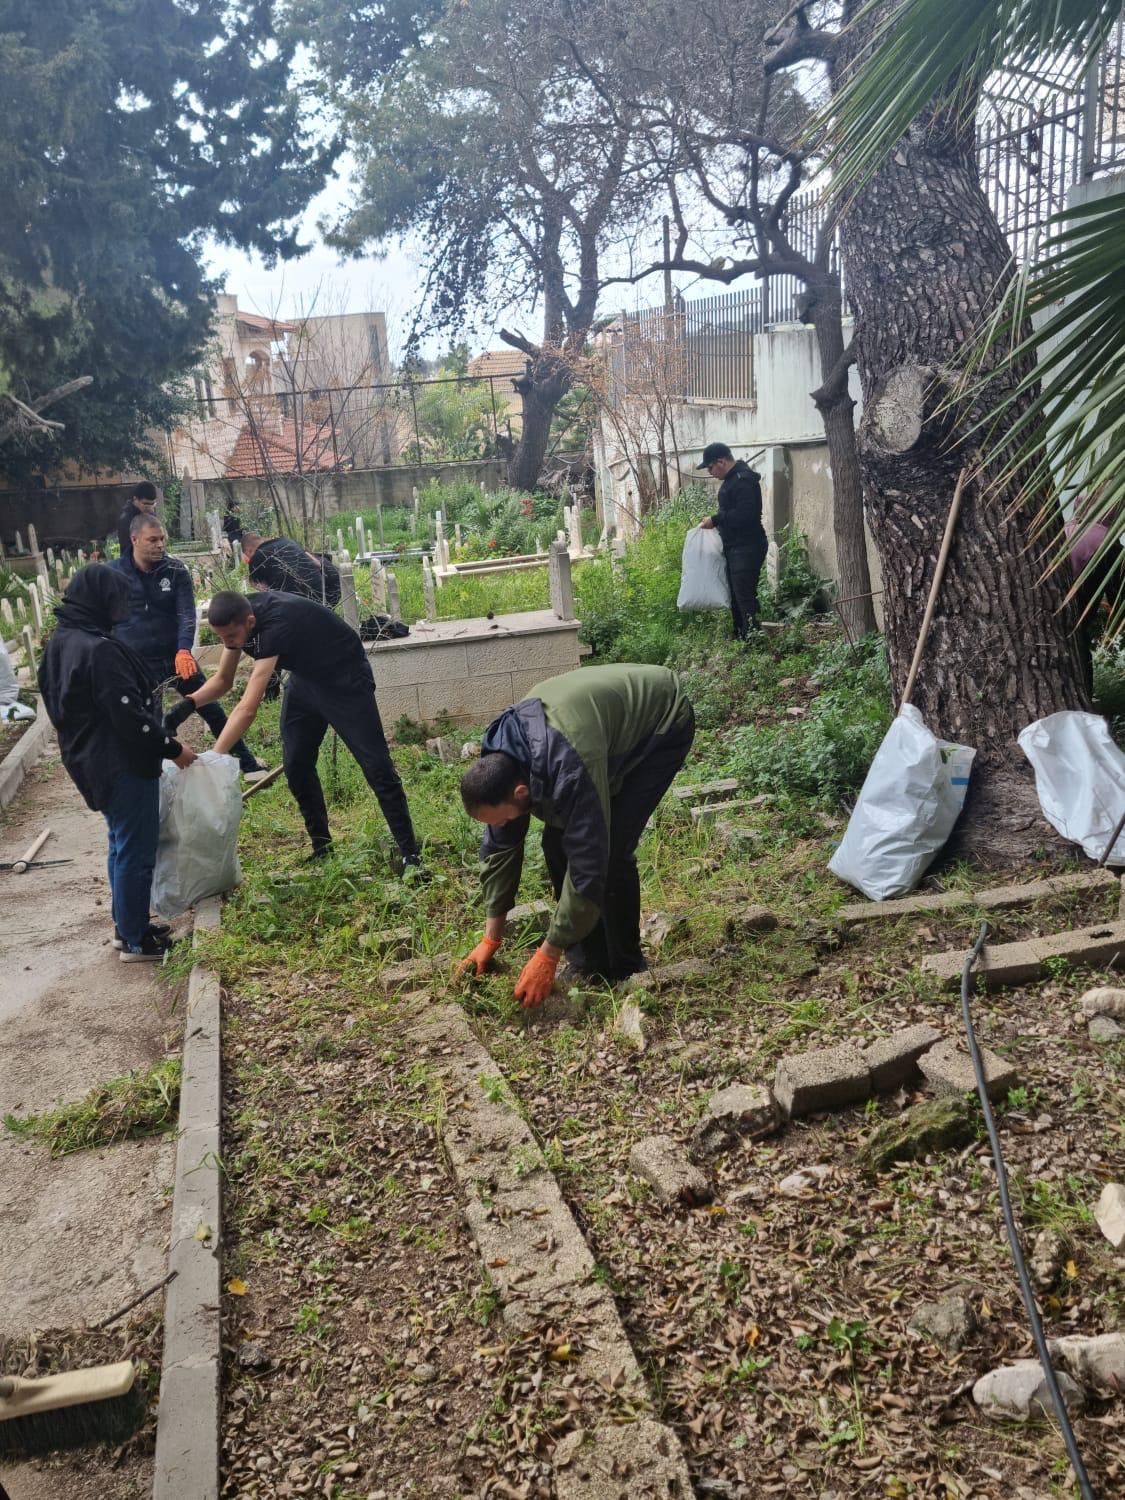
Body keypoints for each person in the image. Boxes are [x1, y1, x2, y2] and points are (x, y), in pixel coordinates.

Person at [457, 665, 695, 1004]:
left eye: (501, 818)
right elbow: (500, 848)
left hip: (662, 721)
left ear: (522, 792)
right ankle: (588, 963)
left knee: (610, 850)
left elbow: (588, 859)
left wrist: (547, 953)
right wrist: (491, 939)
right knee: (555, 843)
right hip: (593, 731)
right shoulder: (502, 757)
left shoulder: (568, 767)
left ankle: (627, 967)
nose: (499, 826)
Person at [177, 589, 421, 869]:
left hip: (345, 681)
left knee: (377, 767)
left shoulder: (275, 627)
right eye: (222, 638)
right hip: (306, 681)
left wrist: (215, 757)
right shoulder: (237, 615)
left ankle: (410, 854)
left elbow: (247, 708)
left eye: (230, 638)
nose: (228, 644)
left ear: (250, 622)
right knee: (296, 765)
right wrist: (188, 704)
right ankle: (322, 847)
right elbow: (223, 680)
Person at [37, 565, 198, 960]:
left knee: (119, 844)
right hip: (119, 762)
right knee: (136, 850)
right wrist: (173, 750)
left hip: (88, 758)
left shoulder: (63, 642)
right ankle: (136, 940)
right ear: (98, 601)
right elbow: (128, 718)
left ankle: (126, 926)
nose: (122, 607)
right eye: (115, 600)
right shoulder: (99, 650)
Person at [111, 514, 268, 779]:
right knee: (151, 719)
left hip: (176, 657)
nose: (160, 545)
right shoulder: (114, 574)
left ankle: (246, 763)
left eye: (162, 539)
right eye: (152, 540)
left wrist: (184, 649)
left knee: (211, 709)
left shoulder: (174, 571)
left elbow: (186, 612)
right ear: (134, 539)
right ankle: (156, 775)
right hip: (139, 664)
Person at [697, 442, 767, 640]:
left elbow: (746, 514)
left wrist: (716, 519)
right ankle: (740, 635)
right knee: (736, 596)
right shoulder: (732, 479)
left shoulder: (742, 480)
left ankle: (754, 641)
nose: (710, 472)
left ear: (721, 461)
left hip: (747, 547)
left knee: (744, 597)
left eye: (710, 467)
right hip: (736, 548)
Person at [242, 532, 341, 606]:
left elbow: (264, 591)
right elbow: (317, 564)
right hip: (327, 587)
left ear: (249, 551)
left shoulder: (256, 559)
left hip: (295, 601)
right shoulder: (286, 541)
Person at [116, 480, 159, 556]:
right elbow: (127, 548)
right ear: (135, 499)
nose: (149, 507)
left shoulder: (151, 515)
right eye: (145, 504)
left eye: (152, 504)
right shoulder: (126, 519)